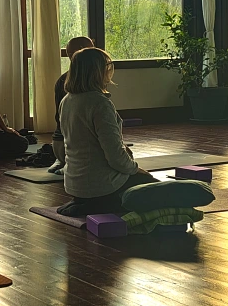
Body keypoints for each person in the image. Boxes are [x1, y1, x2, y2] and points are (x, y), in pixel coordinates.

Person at [57, 47, 158, 217]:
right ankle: (102, 204)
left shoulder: (66, 101)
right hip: (101, 185)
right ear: (100, 71)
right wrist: (136, 170)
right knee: (154, 187)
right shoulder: (99, 104)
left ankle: (87, 203)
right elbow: (115, 157)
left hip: (74, 184)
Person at [49, 36, 95, 174]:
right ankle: (69, 164)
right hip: (70, 147)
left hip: (58, 144)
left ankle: (63, 161)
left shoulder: (63, 79)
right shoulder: (89, 81)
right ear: (82, 51)